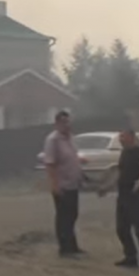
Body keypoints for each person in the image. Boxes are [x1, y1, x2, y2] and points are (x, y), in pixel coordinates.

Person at [98, 129, 139, 274]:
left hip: (136, 196)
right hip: (123, 196)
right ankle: (131, 257)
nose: (121, 139)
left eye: (123, 136)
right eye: (120, 137)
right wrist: (107, 187)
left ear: (131, 137)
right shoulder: (124, 154)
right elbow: (120, 174)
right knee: (122, 229)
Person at [42, 110, 88, 257]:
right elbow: (50, 164)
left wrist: (79, 164)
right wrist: (55, 185)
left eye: (68, 122)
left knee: (73, 215)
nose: (67, 125)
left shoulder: (70, 138)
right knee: (64, 217)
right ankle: (65, 248)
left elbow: (72, 156)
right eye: (63, 122)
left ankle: (73, 246)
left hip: (73, 184)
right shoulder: (52, 140)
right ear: (57, 124)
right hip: (62, 185)